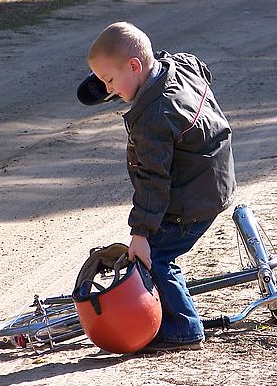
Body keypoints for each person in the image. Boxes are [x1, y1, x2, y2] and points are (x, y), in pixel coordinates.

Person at [78, 21, 237, 353]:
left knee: (157, 257)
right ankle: (170, 312)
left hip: (193, 200)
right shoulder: (178, 65)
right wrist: (125, 84)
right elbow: (198, 69)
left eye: (109, 81)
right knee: (154, 250)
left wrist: (141, 234)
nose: (107, 90)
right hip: (213, 179)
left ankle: (182, 329)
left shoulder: (153, 118)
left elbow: (153, 181)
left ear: (135, 67)